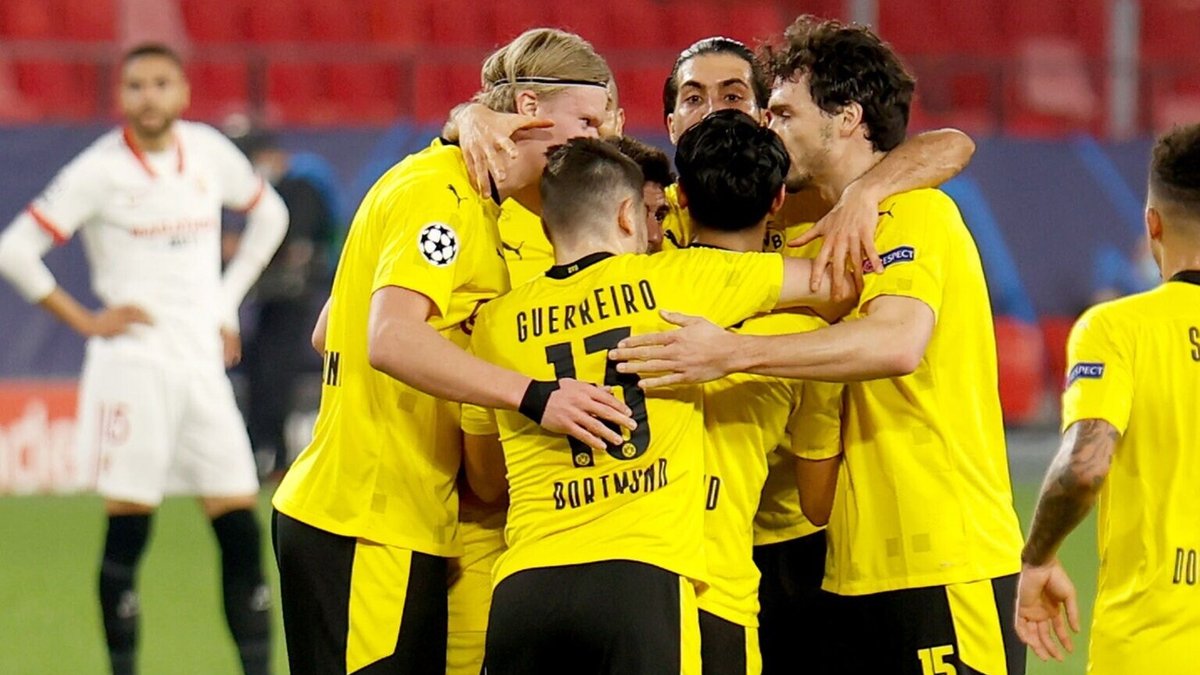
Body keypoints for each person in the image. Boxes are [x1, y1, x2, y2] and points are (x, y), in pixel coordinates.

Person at [611, 18, 1026, 674]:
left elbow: (897, 341)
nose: (766, 125)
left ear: (847, 119)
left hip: (942, 555)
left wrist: (732, 354)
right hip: (847, 559)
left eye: (781, 111)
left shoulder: (916, 212)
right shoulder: (746, 205)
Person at [271, 28, 636, 675]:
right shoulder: (439, 194)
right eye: (585, 122)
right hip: (368, 518)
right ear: (528, 109)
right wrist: (533, 396)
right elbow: (388, 337)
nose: (595, 141)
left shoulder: (465, 195)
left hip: (393, 517)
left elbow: (331, 328)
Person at [460, 137, 847, 675]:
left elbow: (484, 481)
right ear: (627, 215)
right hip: (640, 579)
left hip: (525, 585)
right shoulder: (676, 281)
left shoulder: (495, 322)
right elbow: (836, 284)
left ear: (547, 227)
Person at [0, 43, 288, 675]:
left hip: (202, 368)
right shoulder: (98, 171)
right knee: (131, 527)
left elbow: (272, 214)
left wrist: (225, 300)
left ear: (183, 92)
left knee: (240, 527)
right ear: (121, 96)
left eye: (161, 83)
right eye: (136, 85)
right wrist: (87, 321)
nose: (148, 96)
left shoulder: (208, 151)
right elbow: (14, 251)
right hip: (133, 368)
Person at [1015, 124, 1200, 673]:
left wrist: (1037, 557)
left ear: (1152, 223)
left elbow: (1085, 468)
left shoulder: (1116, 329)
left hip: (1153, 648)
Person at [675, 109, 845, 675]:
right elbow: (818, 504)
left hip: (630, 578)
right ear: (777, 202)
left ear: (680, 197)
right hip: (719, 591)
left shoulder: (633, 291)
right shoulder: (804, 340)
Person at [228, 127, 341, 477]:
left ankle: (277, 457)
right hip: (274, 297)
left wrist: (243, 250)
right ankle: (262, 452)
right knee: (259, 370)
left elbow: (298, 248)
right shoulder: (277, 191)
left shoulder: (303, 185)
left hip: (304, 299)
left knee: (277, 375)